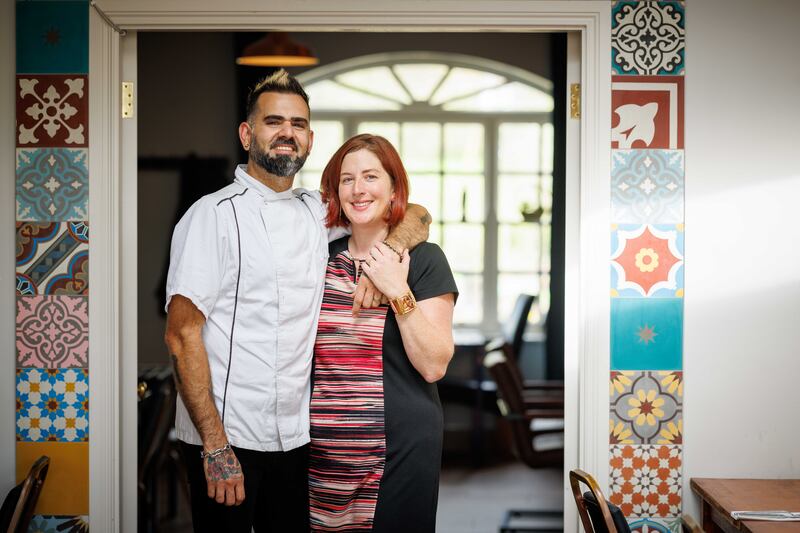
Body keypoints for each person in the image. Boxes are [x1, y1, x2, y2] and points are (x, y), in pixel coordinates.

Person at [163, 71, 431, 533]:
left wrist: (388, 256)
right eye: (274, 121)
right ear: (248, 134)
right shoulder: (211, 215)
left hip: (296, 438)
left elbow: (416, 214)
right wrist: (214, 444)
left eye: (298, 124)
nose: (287, 132)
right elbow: (181, 334)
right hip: (229, 435)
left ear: (309, 139)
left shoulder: (316, 210)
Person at [309, 134, 458, 532]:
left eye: (371, 177)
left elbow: (434, 365)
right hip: (320, 454)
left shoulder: (423, 260)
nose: (358, 190)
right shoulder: (317, 256)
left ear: (394, 187)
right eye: (347, 179)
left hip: (399, 450)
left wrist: (396, 289)